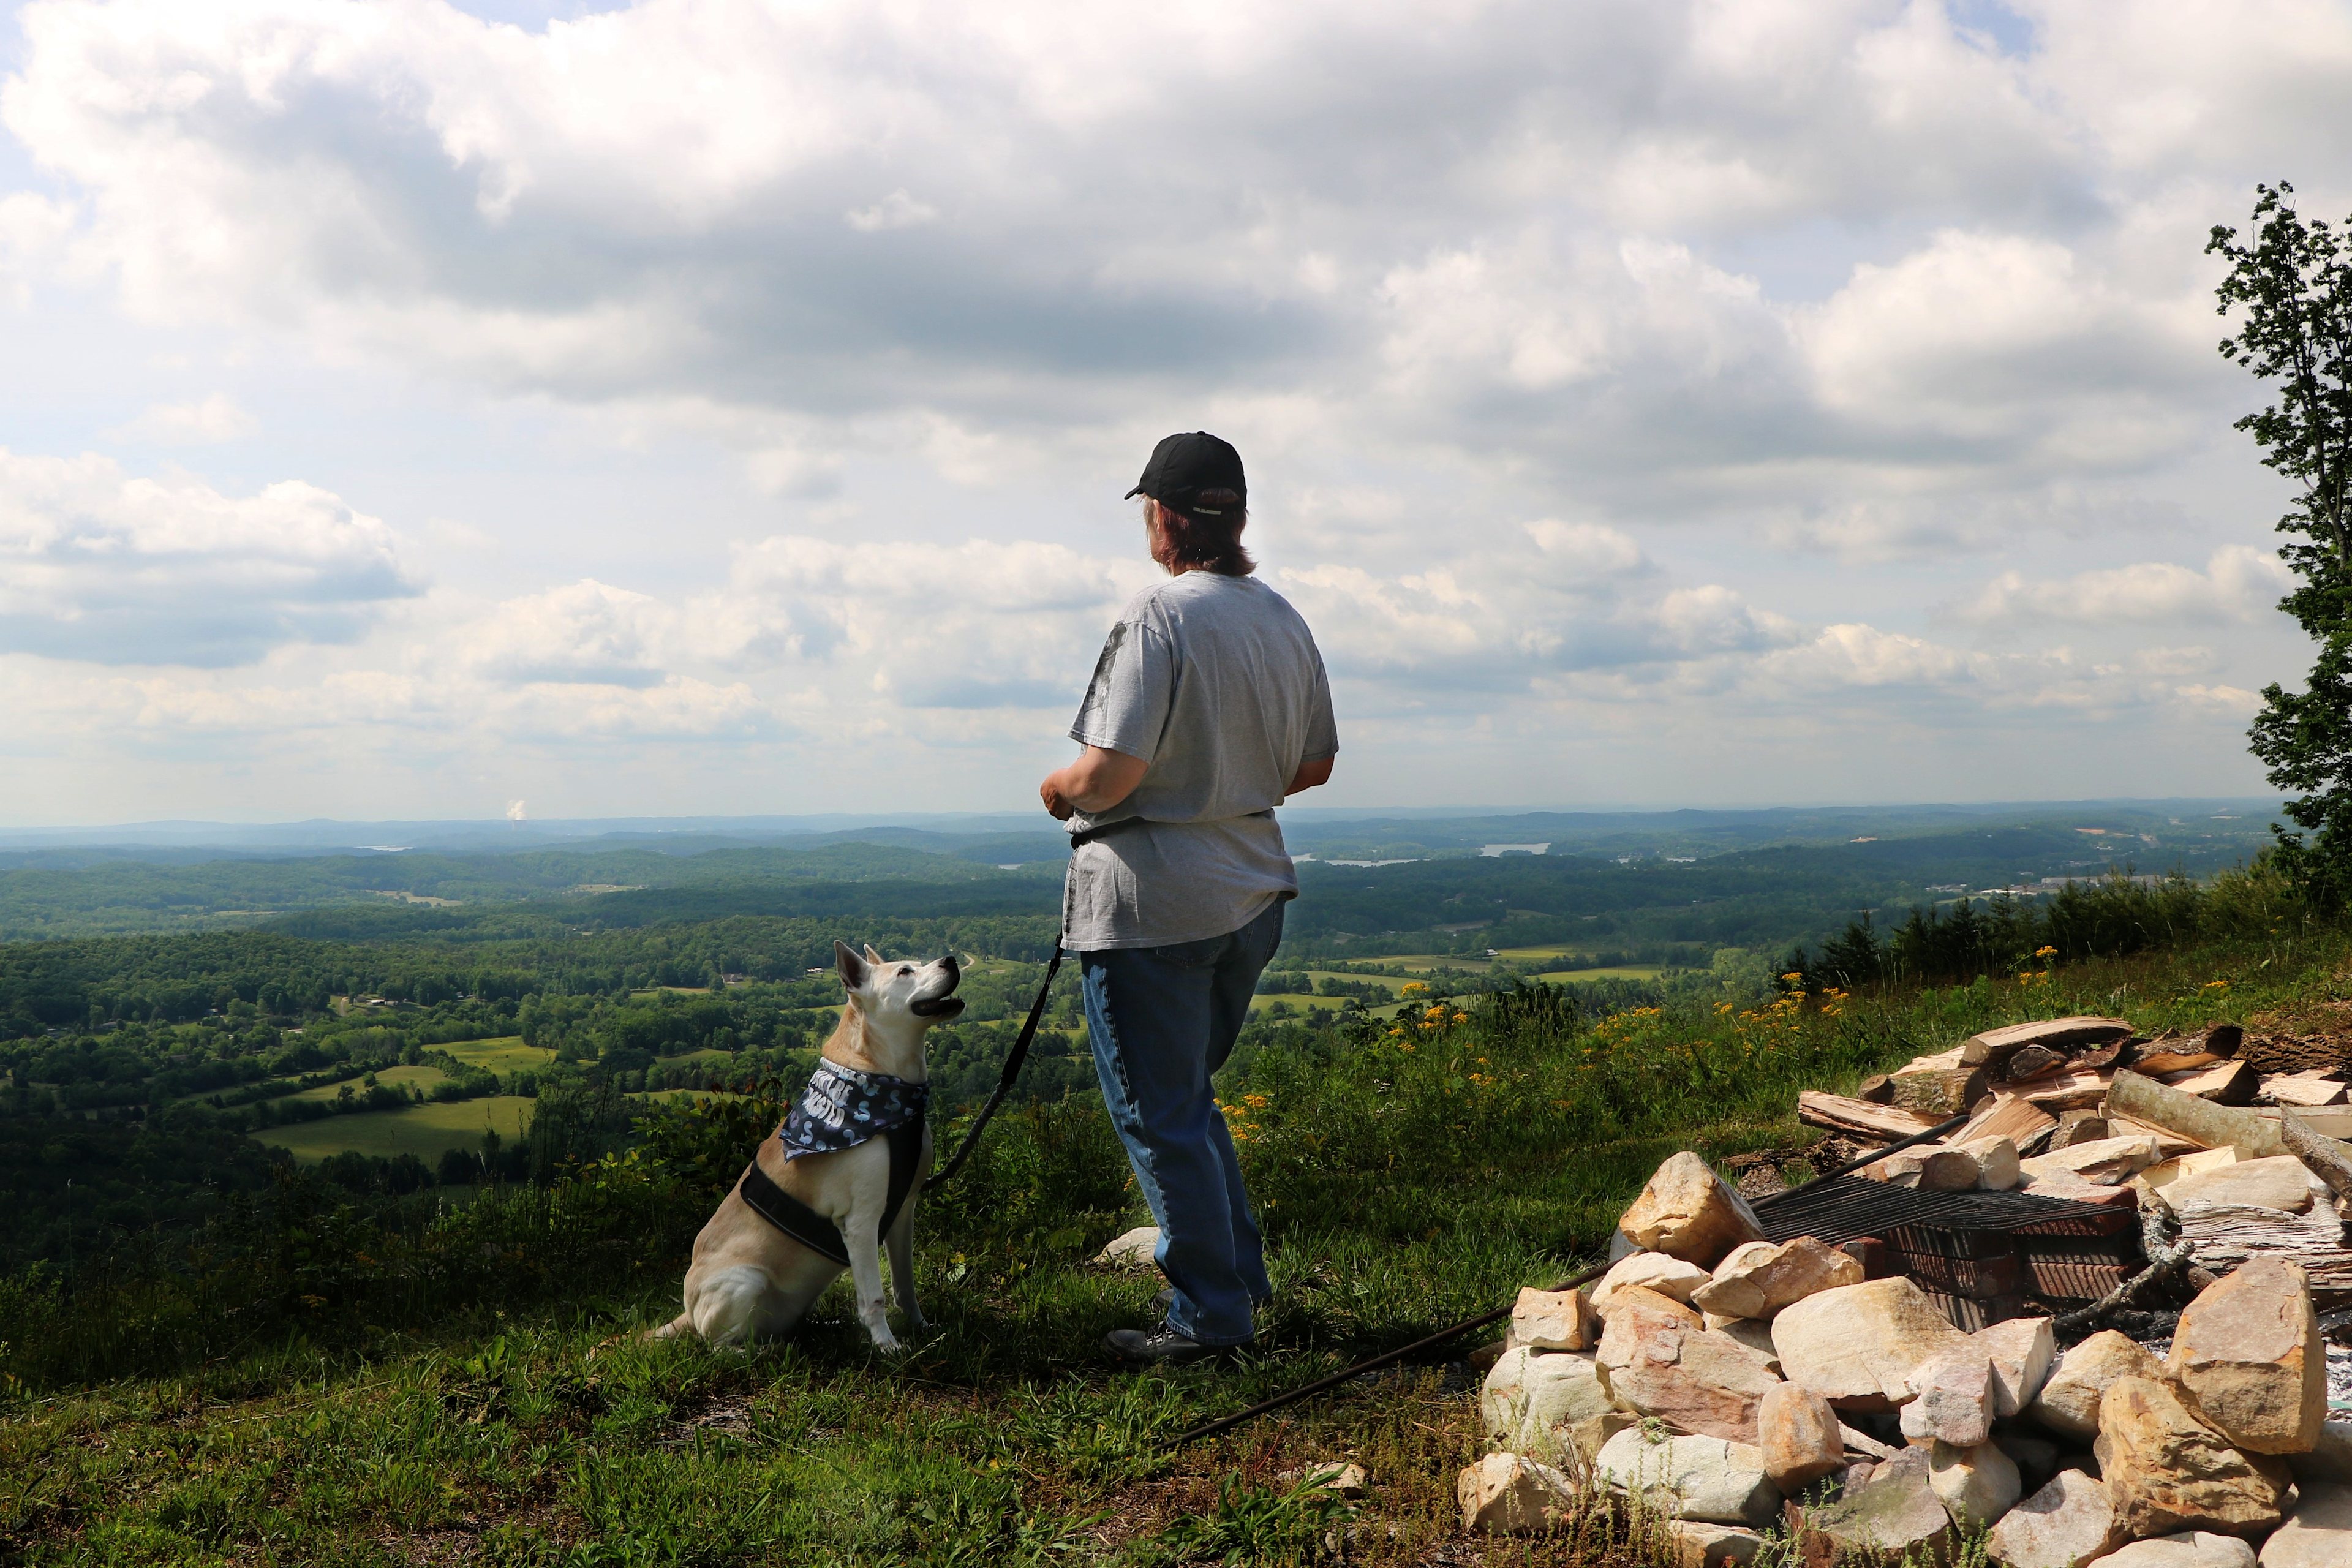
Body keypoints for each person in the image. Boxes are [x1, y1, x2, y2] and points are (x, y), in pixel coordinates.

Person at [1038, 431, 1338, 1365]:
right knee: (1189, 1102)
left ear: (1163, 518)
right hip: (1251, 889)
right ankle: (1237, 1285)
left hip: (1151, 905)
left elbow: (1109, 774)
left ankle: (1210, 1325)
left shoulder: (1158, 617)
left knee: (1160, 1113)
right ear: (1237, 517)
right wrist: (1227, 774)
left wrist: (1059, 790)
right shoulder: (1280, 617)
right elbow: (1314, 764)